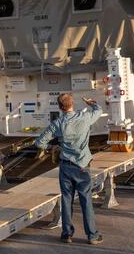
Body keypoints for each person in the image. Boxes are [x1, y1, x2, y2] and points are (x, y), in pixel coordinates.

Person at [35, 94, 103, 245]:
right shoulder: (85, 118)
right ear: (73, 103)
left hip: (65, 166)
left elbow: (39, 142)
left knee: (66, 200)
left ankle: (66, 234)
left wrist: (52, 147)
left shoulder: (57, 123)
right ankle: (92, 235)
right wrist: (91, 102)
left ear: (60, 107)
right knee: (86, 201)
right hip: (83, 166)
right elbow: (98, 110)